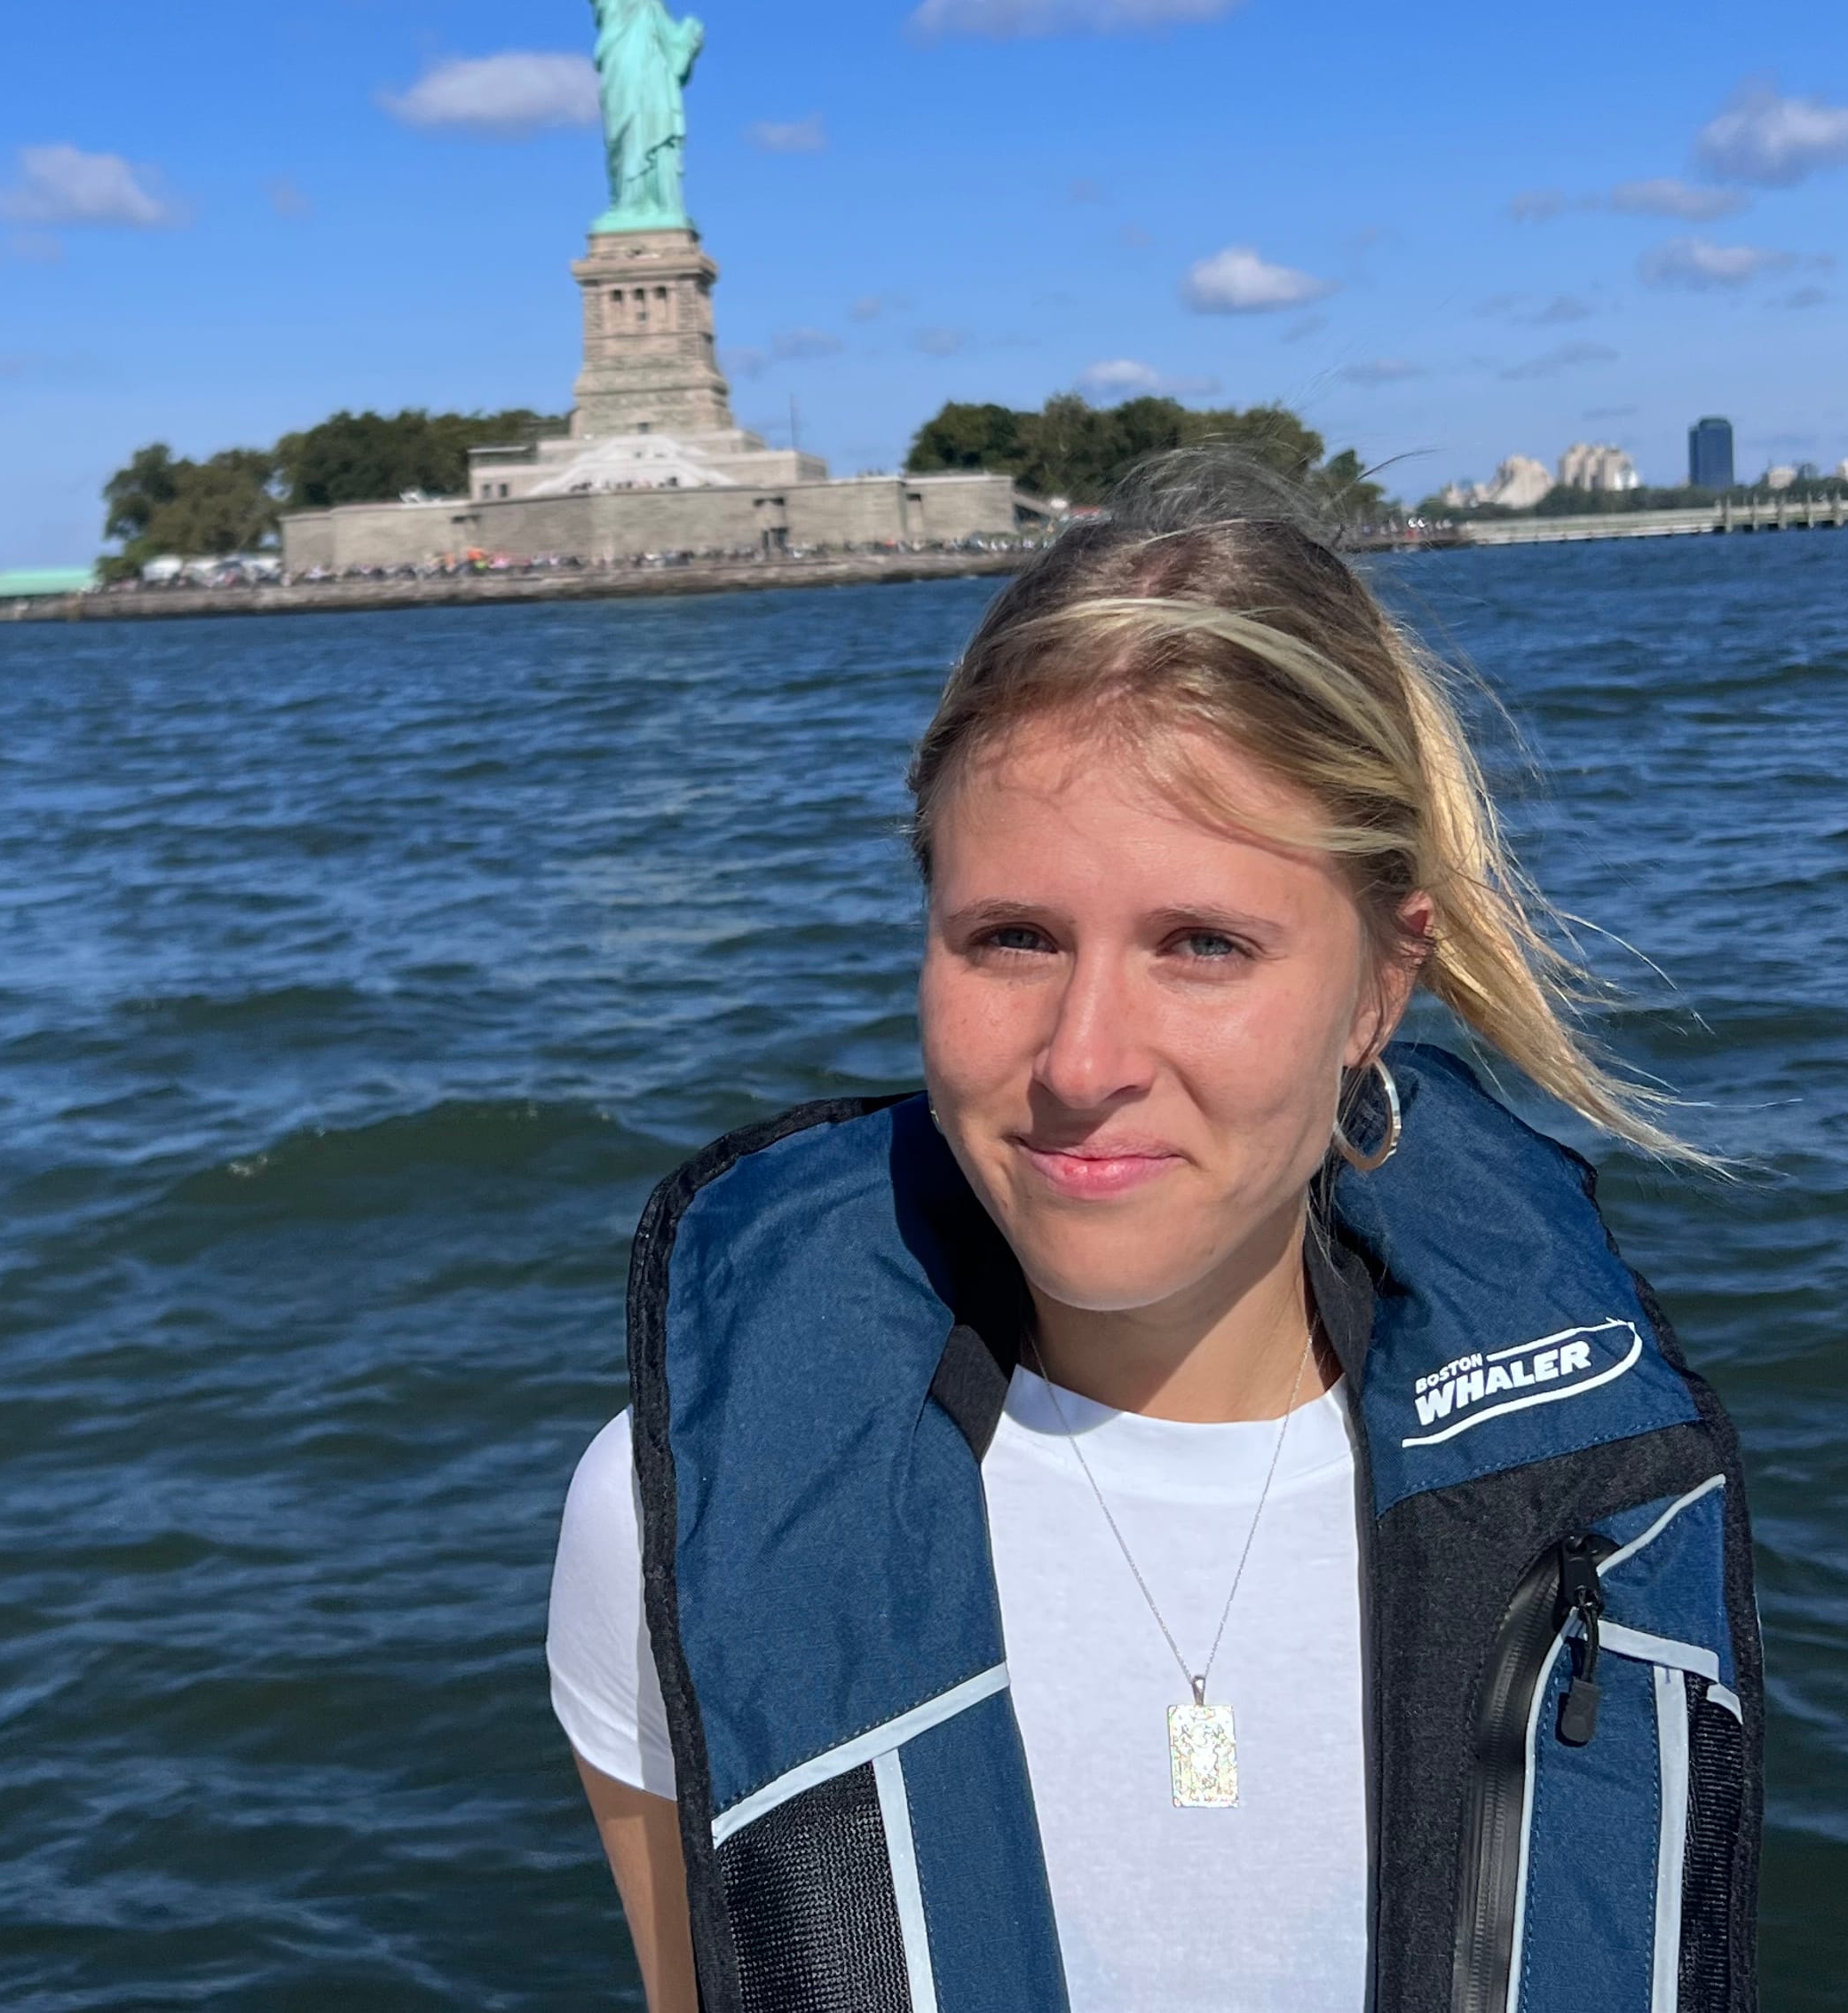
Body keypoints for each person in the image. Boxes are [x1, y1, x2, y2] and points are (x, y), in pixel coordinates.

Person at [546, 455, 1763, 2013]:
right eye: (1012, 938)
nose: (1080, 1060)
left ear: (1381, 985)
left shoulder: (1606, 1496)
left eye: (1203, 944)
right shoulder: (673, 1513)